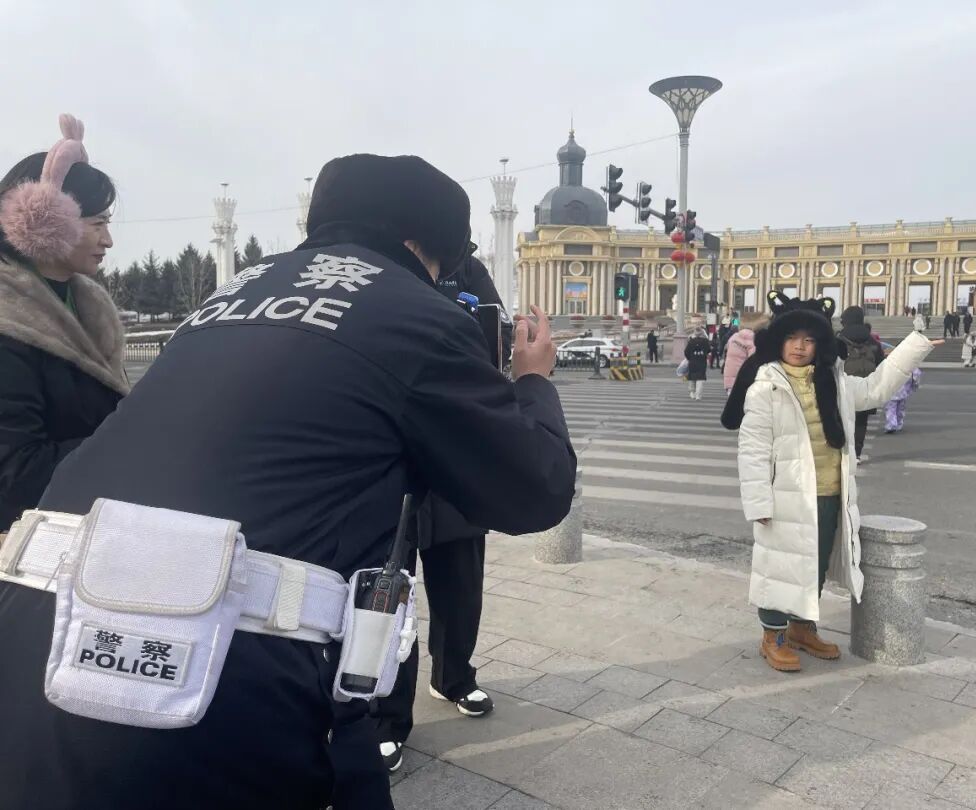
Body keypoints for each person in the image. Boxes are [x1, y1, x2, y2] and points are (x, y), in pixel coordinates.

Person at [0, 153, 577, 810]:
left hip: (32, 662)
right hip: (218, 703)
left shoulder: (234, 294)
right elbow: (537, 487)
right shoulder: (413, 308)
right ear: (422, 247)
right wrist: (531, 379)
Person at [721, 291, 936, 673]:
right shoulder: (765, 387)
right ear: (778, 342)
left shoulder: (834, 383)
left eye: (808, 340)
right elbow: (751, 450)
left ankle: (802, 627)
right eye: (791, 339)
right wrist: (758, 502)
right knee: (779, 567)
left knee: (815, 563)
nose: (799, 347)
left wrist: (914, 346)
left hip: (830, 490)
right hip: (784, 495)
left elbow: (876, 389)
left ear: (818, 344)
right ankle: (773, 635)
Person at [371, 251, 505, 773]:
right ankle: (385, 715)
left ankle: (454, 677)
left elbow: (490, 340)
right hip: (387, 458)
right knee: (384, 594)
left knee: (460, 583)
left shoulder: (465, 270)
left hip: (453, 453)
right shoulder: (376, 263)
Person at [0, 115, 128, 532]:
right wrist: (137, 441)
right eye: (98, 224)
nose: (107, 240)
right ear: (45, 219)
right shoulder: (8, 326)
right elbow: (16, 476)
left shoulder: (89, 310)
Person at [837, 306, 885, 465]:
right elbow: (880, 363)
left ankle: (842, 451)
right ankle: (856, 453)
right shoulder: (873, 341)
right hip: (866, 385)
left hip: (844, 385)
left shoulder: (838, 338)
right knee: (861, 422)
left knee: (842, 418)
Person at [723, 312, 768, 393]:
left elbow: (726, 348)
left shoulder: (734, 337)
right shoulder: (751, 338)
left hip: (729, 375)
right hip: (742, 377)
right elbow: (754, 358)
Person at [884, 368, 922, 434]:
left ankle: (891, 425)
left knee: (891, 408)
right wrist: (914, 386)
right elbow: (916, 375)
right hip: (903, 391)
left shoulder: (891, 363)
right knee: (900, 408)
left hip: (891, 390)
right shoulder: (909, 364)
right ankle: (898, 423)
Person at [684, 327, 711, 400]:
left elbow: (686, 352)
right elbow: (709, 350)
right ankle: (698, 395)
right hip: (702, 362)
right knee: (700, 378)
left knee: (692, 377)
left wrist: (690, 358)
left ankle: (692, 392)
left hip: (692, 362)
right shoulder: (705, 341)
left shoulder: (691, 341)